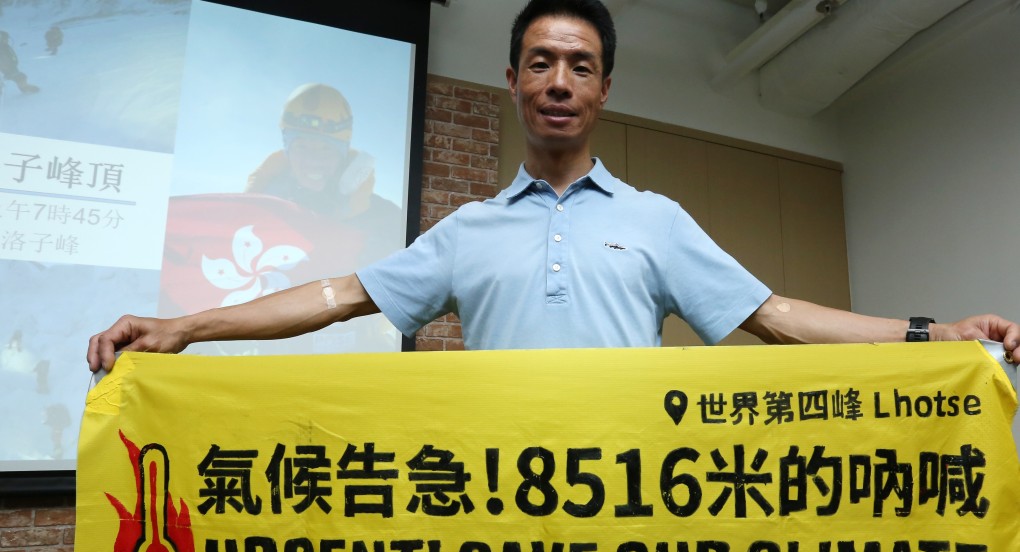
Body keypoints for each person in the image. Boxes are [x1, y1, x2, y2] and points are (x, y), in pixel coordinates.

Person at [86, 0, 1020, 373]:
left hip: (632, 516)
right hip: (500, 529)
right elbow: (337, 295)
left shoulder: (656, 221)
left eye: (580, 64)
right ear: (515, 83)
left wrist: (933, 332)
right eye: (540, 62)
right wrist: (185, 326)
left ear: (604, 88)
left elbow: (772, 315)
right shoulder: (467, 229)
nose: (560, 80)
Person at [245, 82, 401, 261]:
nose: (313, 160)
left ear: (342, 154)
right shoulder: (257, 209)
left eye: (326, 149)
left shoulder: (386, 220)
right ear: (287, 151)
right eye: (302, 147)